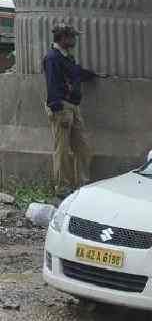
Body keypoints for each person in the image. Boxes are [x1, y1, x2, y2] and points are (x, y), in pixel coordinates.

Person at [43, 25, 100, 196]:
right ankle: (62, 188)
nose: (75, 40)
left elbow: (75, 73)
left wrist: (91, 74)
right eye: (72, 37)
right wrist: (58, 110)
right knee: (62, 149)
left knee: (82, 147)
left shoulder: (66, 57)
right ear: (63, 38)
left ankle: (82, 184)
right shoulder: (52, 58)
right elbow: (52, 85)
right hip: (61, 107)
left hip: (73, 106)